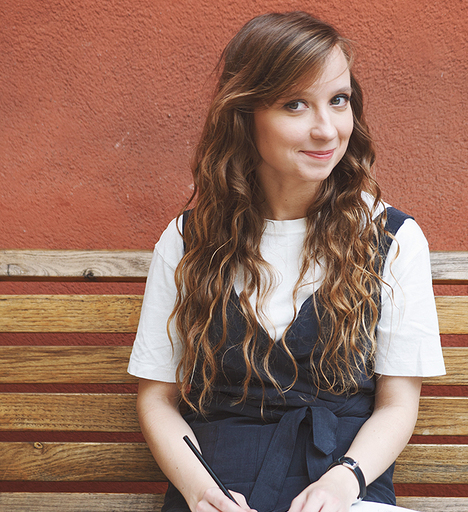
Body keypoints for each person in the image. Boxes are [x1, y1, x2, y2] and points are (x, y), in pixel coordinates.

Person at [128, 11, 445, 512]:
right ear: (244, 115)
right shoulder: (190, 240)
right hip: (218, 489)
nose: (327, 130)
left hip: (341, 490)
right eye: (295, 104)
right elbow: (156, 398)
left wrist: (344, 481)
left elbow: (398, 403)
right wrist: (200, 492)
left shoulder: (391, 238)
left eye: (338, 100)